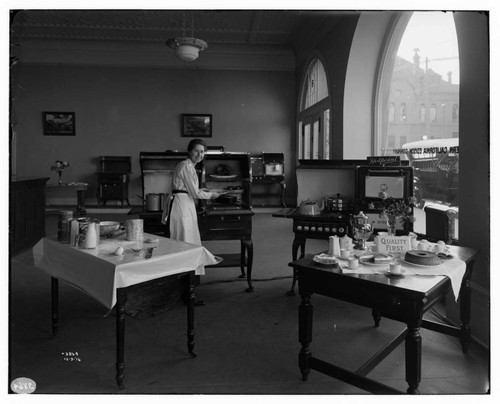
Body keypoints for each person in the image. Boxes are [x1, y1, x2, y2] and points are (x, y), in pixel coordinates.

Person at [161, 139, 223, 305]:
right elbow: (194, 193)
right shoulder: (186, 166)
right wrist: (212, 195)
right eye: (196, 151)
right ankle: (185, 292)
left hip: (185, 205)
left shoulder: (188, 166)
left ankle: (186, 290)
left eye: (202, 152)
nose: (199, 155)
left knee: (188, 244)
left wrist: (204, 190)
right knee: (185, 245)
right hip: (181, 208)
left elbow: (190, 190)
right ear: (189, 151)